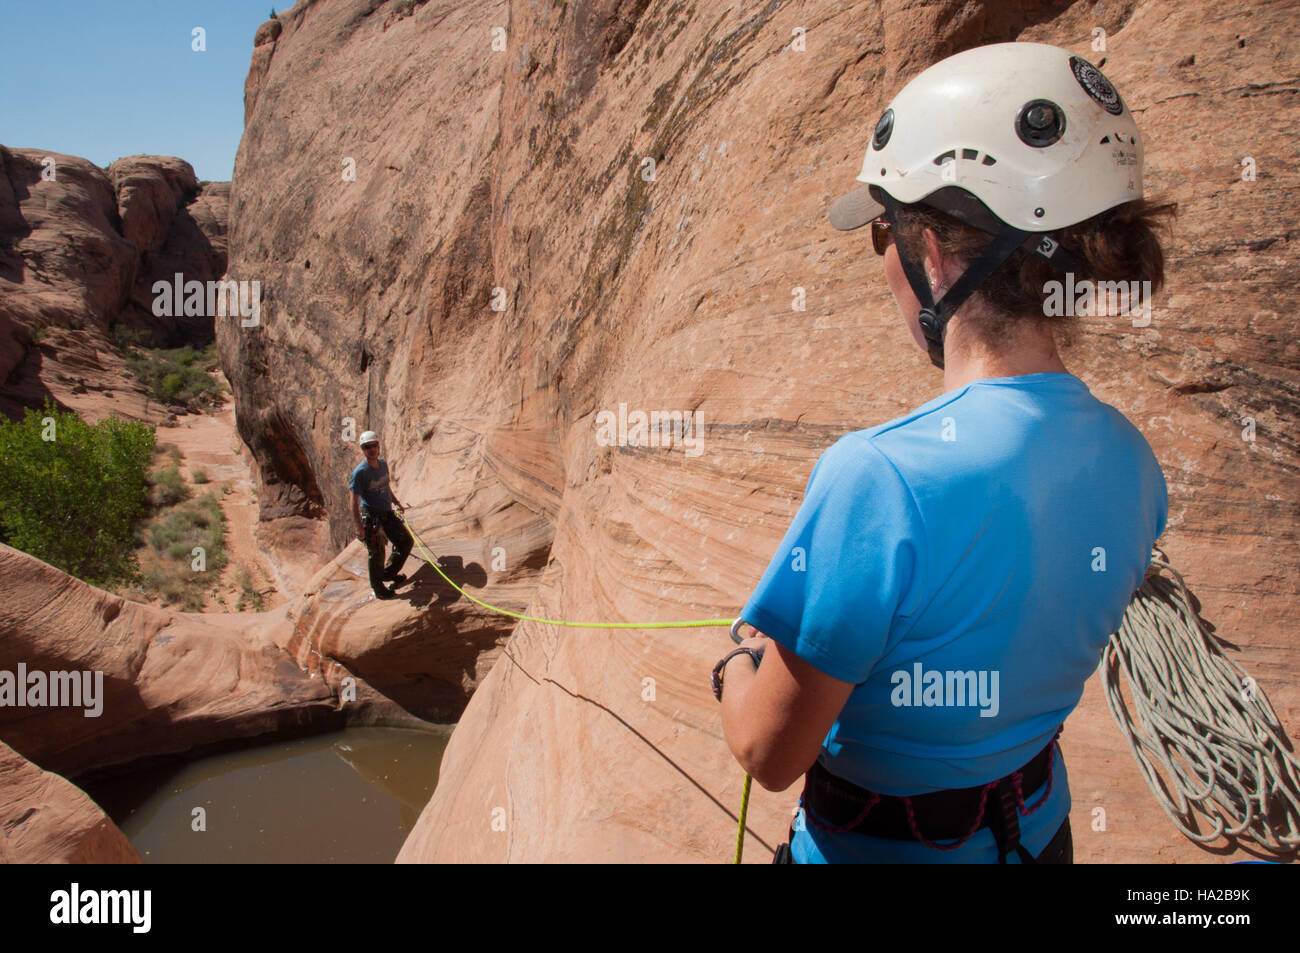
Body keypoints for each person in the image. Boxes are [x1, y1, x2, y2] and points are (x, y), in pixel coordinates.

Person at [715, 42, 1172, 863]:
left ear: (931, 252)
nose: (883, 259)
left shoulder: (878, 477)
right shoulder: (1134, 463)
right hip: (1036, 831)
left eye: (882, 234)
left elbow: (767, 753)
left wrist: (737, 665)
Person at [350, 430, 413, 600]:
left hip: (386, 512)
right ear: (363, 449)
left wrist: (397, 502)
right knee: (377, 553)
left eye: (373, 446)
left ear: (378, 446)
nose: (371, 449)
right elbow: (353, 501)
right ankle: (378, 589)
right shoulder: (360, 473)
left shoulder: (383, 464)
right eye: (366, 447)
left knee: (406, 542)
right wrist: (359, 527)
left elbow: (386, 486)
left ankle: (387, 573)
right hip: (371, 516)